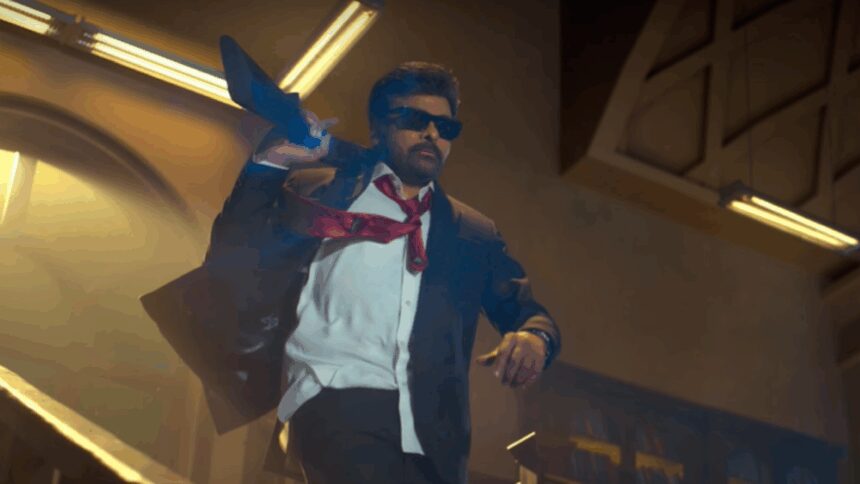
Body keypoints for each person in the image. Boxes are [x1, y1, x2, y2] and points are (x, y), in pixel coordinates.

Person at [155, 61, 560, 484]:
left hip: (433, 442)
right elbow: (237, 251)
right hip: (332, 398)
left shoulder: (472, 232)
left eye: (445, 127)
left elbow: (527, 311)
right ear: (378, 129)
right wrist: (274, 161)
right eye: (415, 120)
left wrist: (535, 337)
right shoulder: (321, 192)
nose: (432, 134)